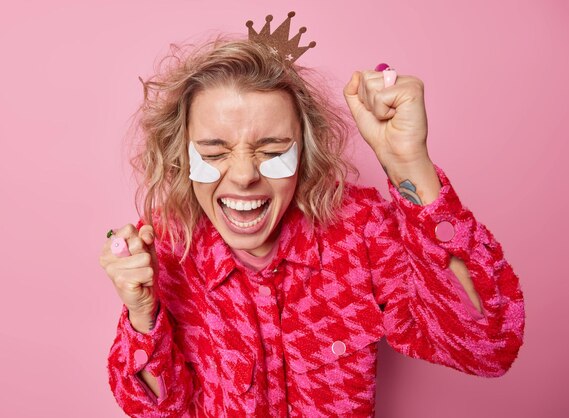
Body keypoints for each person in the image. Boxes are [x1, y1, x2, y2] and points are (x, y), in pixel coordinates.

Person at [99, 15, 525, 418]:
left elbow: (487, 346)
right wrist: (142, 313)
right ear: (182, 155)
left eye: (272, 151)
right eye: (214, 153)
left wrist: (409, 163)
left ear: (305, 152)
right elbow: (159, 409)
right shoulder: (169, 246)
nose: (245, 176)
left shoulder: (360, 229)